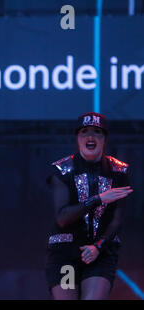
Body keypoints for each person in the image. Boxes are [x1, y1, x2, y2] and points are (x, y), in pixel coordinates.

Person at [45, 112, 133, 300]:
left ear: (104, 139)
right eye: (85, 132)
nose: (91, 137)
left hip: (100, 252)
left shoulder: (119, 170)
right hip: (65, 252)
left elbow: (117, 219)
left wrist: (98, 247)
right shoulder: (62, 170)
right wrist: (99, 198)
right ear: (77, 138)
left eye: (97, 132)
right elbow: (63, 218)